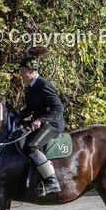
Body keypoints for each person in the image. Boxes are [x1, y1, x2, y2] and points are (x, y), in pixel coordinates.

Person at [17, 47, 64, 196]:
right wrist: (15, 116)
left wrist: (41, 119)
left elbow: (58, 107)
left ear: (31, 71)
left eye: (22, 71)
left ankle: (52, 182)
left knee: (32, 146)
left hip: (52, 124)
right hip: (41, 123)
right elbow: (30, 109)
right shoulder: (30, 88)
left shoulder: (44, 85)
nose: (20, 74)